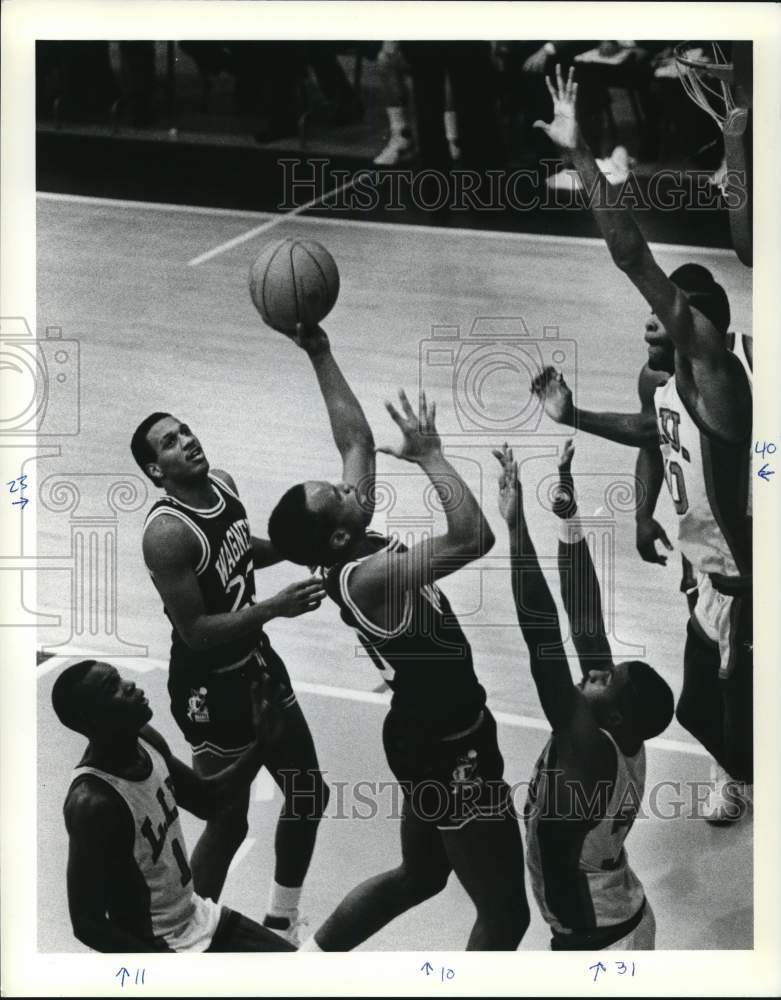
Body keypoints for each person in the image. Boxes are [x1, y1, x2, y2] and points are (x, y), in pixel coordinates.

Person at [532, 66, 753, 824]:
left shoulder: (719, 378)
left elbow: (632, 257)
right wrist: (577, 419)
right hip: (706, 572)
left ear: (699, 331)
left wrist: (580, 154)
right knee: (698, 712)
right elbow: (653, 433)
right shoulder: (661, 380)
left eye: (662, 323)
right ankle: (739, 771)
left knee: (741, 721)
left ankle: (746, 769)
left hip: (751, 585)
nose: (648, 328)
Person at [267, 323, 529, 951]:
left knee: (420, 876)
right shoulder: (368, 577)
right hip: (450, 747)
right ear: (336, 535)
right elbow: (473, 539)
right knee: (507, 915)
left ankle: (309, 964)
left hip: (419, 732)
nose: (351, 486)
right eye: (339, 494)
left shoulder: (347, 540)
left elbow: (354, 437)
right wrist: (433, 457)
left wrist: (320, 351)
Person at [130, 413, 329, 943]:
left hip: (256, 664)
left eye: (186, 431)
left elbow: (243, 550)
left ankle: (282, 921)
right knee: (227, 816)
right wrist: (273, 609)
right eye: (170, 443)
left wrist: (303, 545)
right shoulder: (167, 533)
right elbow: (194, 630)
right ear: (156, 470)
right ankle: (188, 933)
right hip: (209, 686)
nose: (188, 442)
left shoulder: (225, 485)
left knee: (309, 793)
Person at [495, 440, 674, 950]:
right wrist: (568, 517)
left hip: (597, 940)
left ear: (614, 714)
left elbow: (542, 635)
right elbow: (585, 618)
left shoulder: (587, 748)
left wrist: (515, 529)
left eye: (605, 679)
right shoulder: (619, 731)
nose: (595, 672)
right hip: (622, 913)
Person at [52, 659, 295, 952]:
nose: (129, 685)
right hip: (161, 944)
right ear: (90, 718)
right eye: (112, 687)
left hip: (198, 917)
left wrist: (262, 746)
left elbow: (207, 800)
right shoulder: (92, 803)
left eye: (120, 678)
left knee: (304, 972)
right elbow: (88, 924)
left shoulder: (144, 739)